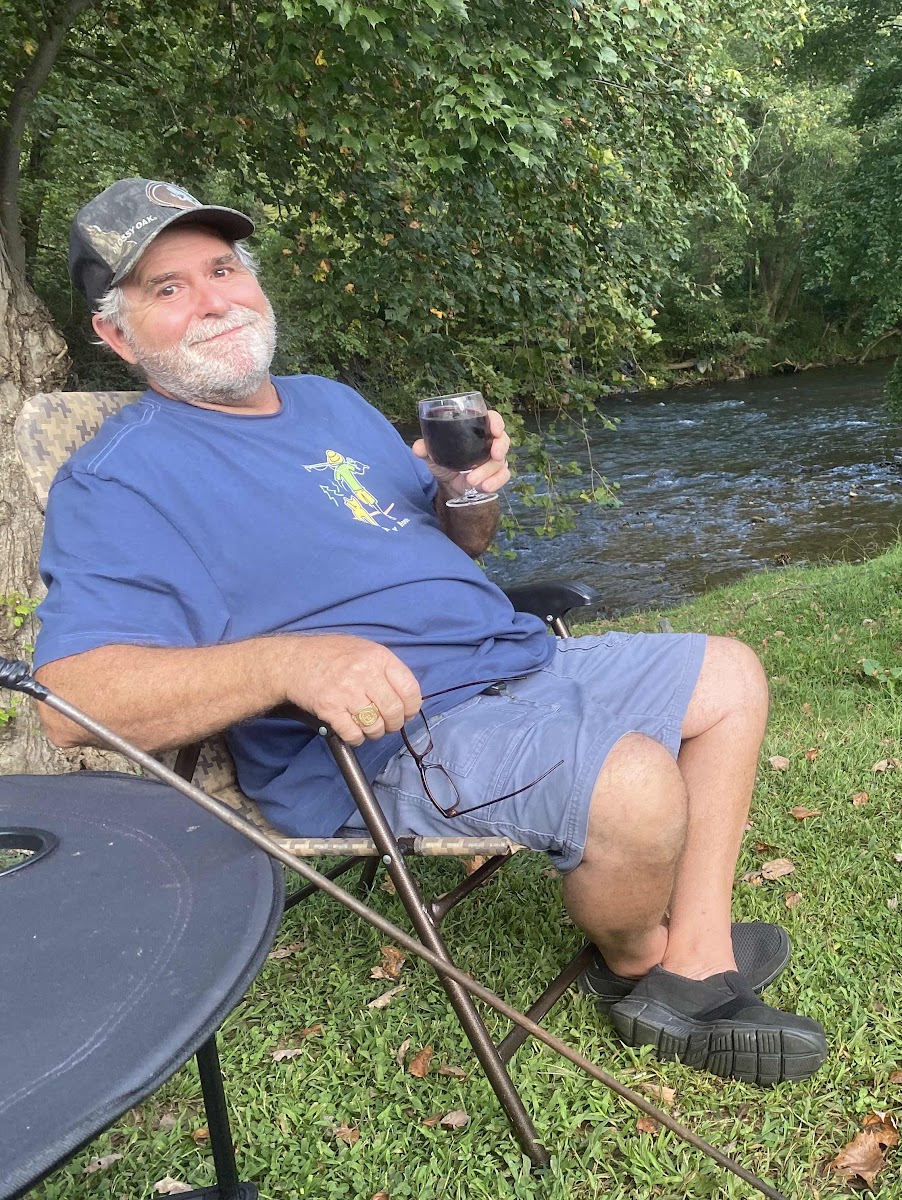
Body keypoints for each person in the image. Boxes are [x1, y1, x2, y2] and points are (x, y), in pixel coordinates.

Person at [34, 178, 826, 1085]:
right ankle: (641, 965)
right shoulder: (119, 481)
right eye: (168, 287)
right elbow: (71, 701)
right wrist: (287, 661)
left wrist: (467, 496)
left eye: (222, 269)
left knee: (729, 674)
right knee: (634, 784)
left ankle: (698, 954)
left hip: (509, 655)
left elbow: (453, 543)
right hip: (385, 736)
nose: (213, 300)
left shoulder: (329, 402)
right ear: (116, 334)